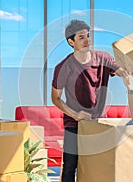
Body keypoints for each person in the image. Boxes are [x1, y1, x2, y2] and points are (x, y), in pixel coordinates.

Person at [51, 19, 125, 182]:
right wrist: (75, 114)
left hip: (97, 123)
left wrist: (131, 66)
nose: (87, 41)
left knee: (97, 165)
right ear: (71, 42)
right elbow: (55, 98)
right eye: (81, 38)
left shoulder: (103, 58)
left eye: (88, 36)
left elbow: (122, 71)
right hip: (73, 123)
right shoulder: (63, 67)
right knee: (70, 166)